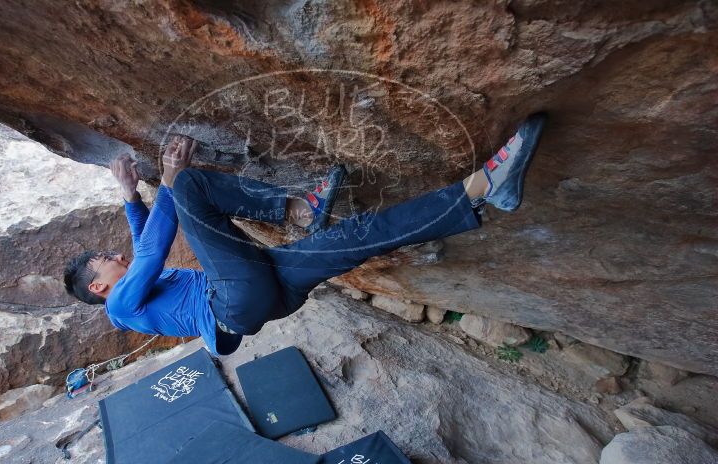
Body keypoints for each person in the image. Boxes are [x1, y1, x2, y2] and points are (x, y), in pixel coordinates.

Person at [64, 114, 546, 356]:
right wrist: (169, 180)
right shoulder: (120, 307)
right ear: (98, 287)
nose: (114, 256)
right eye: (105, 260)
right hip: (232, 302)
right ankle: (296, 209)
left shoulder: (131, 295)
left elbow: (142, 243)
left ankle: (483, 189)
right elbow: (150, 251)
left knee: (359, 233)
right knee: (190, 185)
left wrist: (132, 198)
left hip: (263, 293)